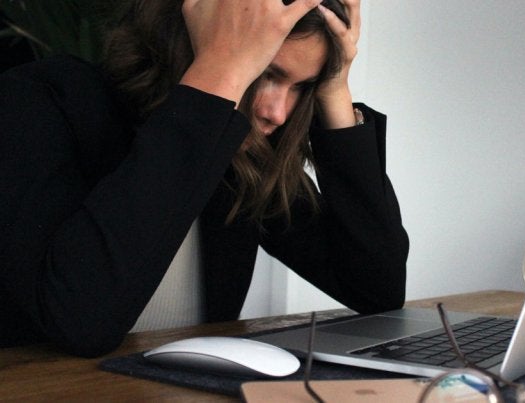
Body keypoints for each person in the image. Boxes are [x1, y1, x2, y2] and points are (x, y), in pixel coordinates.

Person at [0, 0, 408, 357]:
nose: (277, 113)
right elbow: (80, 322)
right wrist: (219, 73)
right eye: (265, 72)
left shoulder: (240, 158)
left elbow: (377, 289)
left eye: (301, 86)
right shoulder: (41, 101)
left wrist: (334, 89)